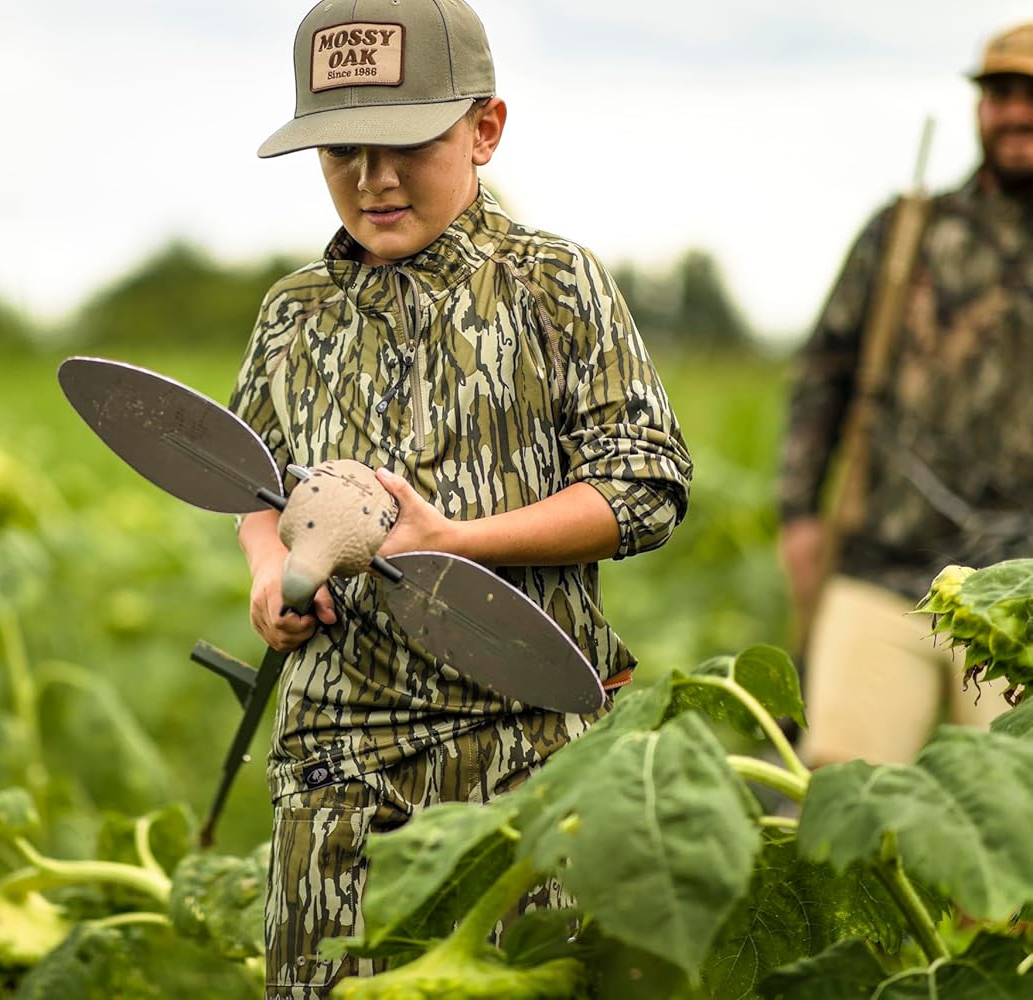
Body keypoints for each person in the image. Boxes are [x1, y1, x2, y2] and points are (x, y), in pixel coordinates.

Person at [226, 1, 693, 994]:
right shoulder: (292, 312)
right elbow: (249, 480)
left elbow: (646, 487)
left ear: (485, 128)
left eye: (408, 143)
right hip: (332, 761)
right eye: (341, 149)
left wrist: (458, 541)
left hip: (525, 759)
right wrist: (271, 571)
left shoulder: (554, 285)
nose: (374, 178)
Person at [778, 22, 1032, 769]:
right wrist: (798, 514)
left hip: (1025, 590)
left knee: (1014, 836)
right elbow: (823, 371)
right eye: (1001, 95)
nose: (1017, 113)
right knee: (836, 800)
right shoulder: (906, 231)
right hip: (885, 567)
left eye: (1032, 96)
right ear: (980, 109)